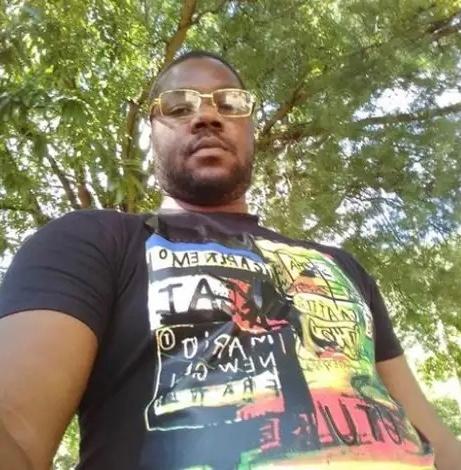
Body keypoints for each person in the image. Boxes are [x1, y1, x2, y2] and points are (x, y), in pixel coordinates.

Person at [0, 50, 460, 470]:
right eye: (179, 106)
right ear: (152, 131)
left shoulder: (340, 265)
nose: (206, 115)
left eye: (229, 103)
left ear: (250, 129)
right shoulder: (92, 241)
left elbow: (437, 441)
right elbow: (16, 436)